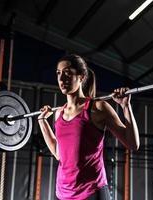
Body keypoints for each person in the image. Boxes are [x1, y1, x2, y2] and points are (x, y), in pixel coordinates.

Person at [38, 54, 140, 200]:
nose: (61, 79)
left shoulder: (98, 107)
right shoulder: (59, 113)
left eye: (67, 73)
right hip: (63, 194)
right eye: (58, 73)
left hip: (91, 192)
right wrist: (42, 122)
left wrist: (126, 107)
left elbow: (132, 144)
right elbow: (59, 154)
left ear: (81, 76)